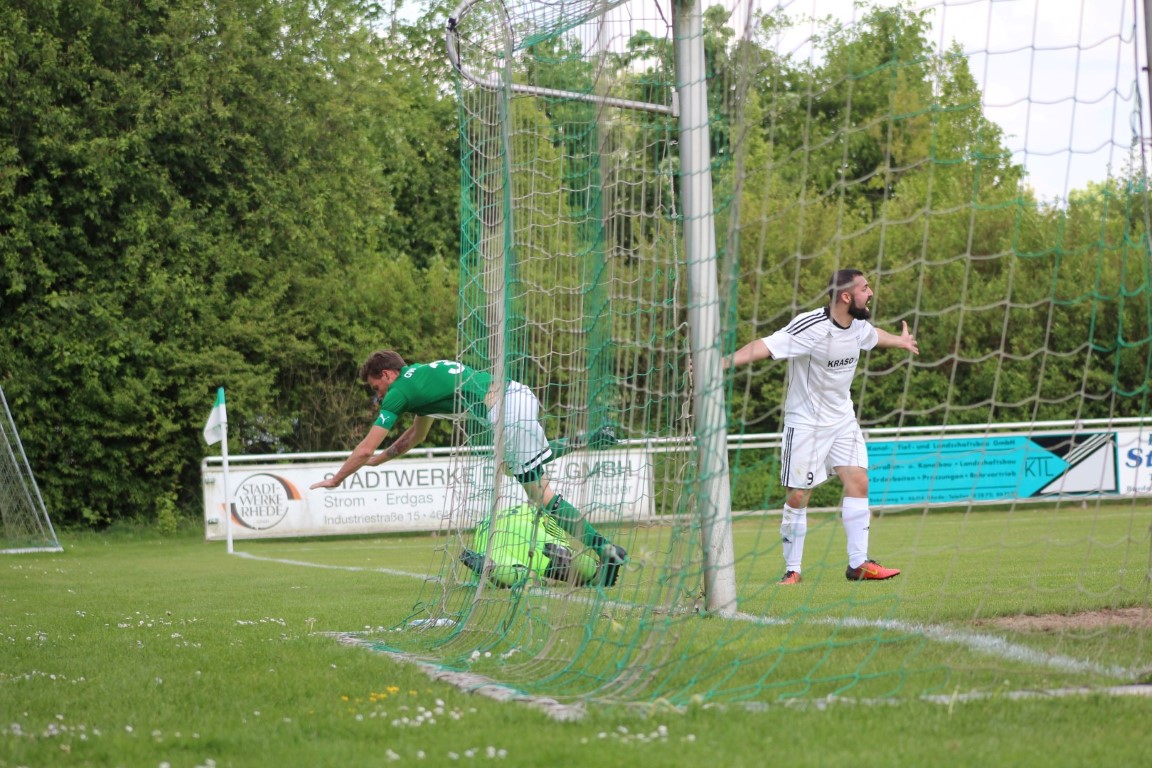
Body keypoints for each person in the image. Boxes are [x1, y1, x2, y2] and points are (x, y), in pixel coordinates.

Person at [310, 351, 627, 586]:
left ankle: (604, 547)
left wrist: (337, 478)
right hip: (518, 395)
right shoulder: (420, 378)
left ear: (387, 374)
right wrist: (380, 460)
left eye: (374, 386)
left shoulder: (399, 392)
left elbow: (365, 446)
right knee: (515, 469)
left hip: (504, 412)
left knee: (541, 494)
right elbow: (415, 436)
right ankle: (585, 440)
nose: (377, 394)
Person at [726, 269, 919, 584]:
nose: (870, 293)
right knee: (798, 495)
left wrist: (899, 341)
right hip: (806, 423)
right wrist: (722, 362)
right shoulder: (810, 326)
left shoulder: (858, 326)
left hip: (843, 420)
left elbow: (874, 335)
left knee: (859, 481)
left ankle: (858, 564)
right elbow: (765, 346)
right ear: (846, 296)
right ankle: (793, 569)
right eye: (865, 288)